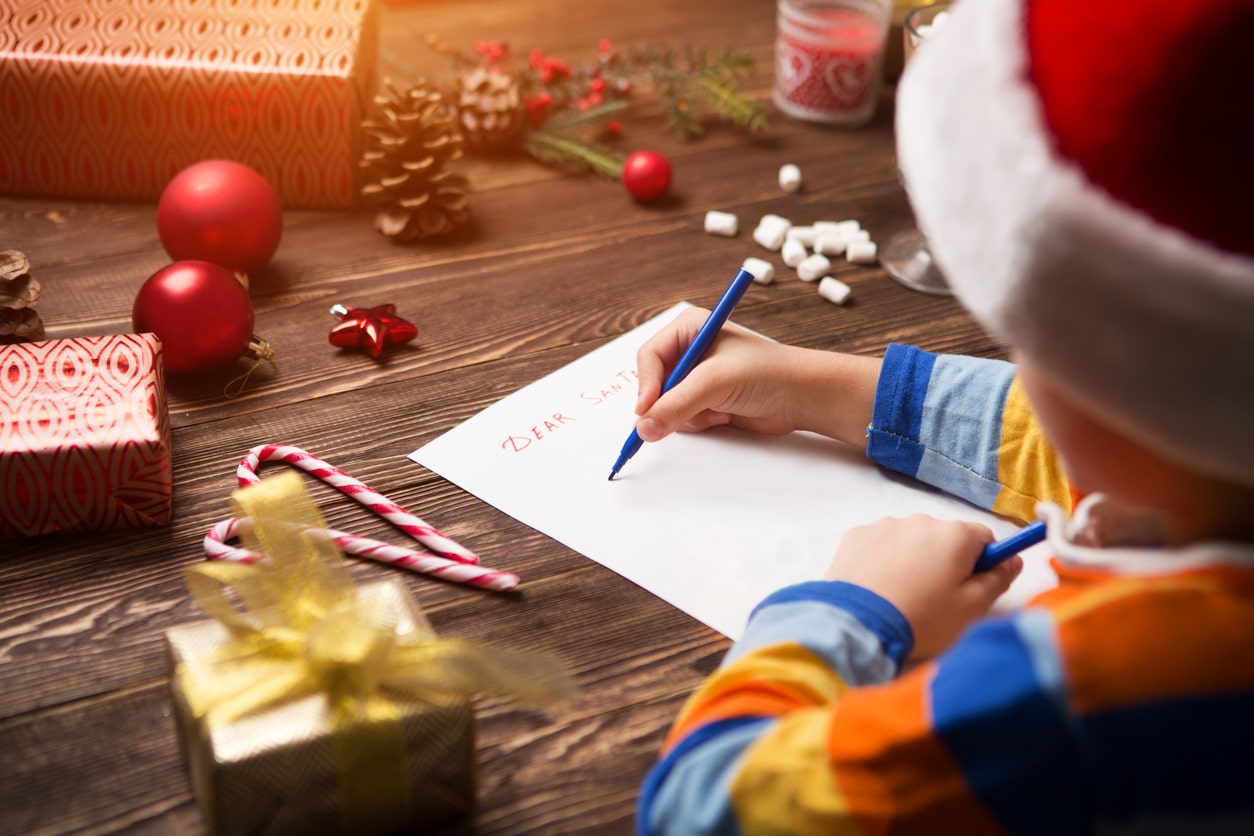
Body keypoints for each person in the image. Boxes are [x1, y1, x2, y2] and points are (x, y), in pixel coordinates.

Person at [634, 0, 1254, 832]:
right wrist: (821, 387)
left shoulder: (1079, 701)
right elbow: (1103, 444)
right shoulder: (1206, 463)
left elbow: (701, 805)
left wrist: (856, 610)